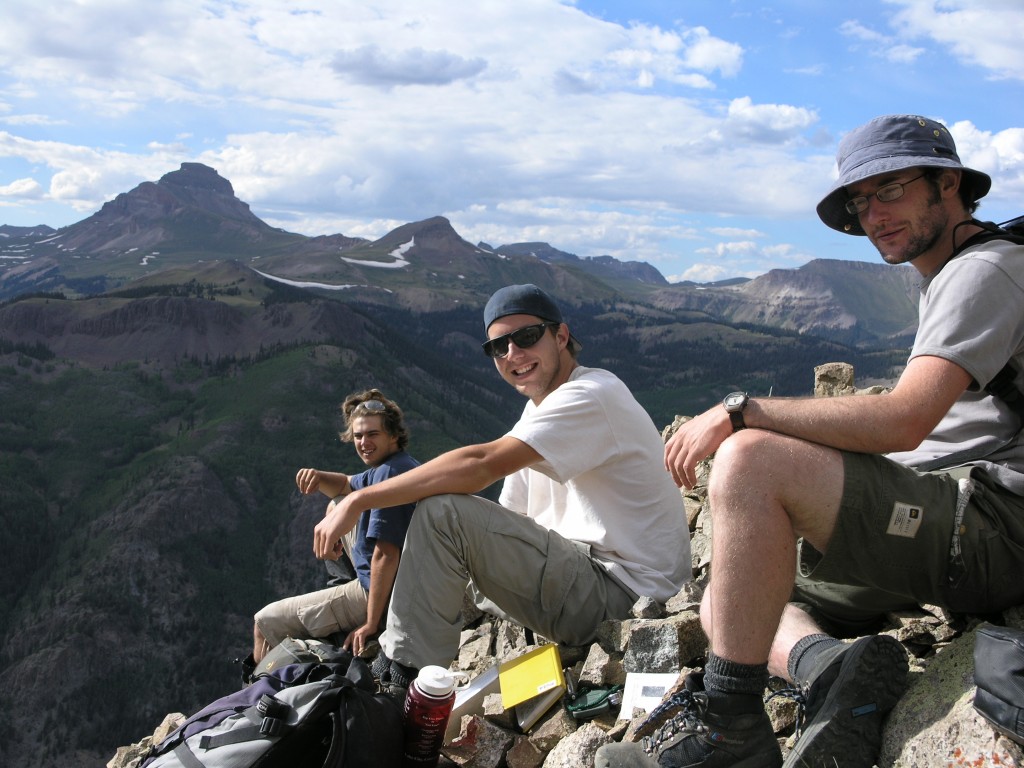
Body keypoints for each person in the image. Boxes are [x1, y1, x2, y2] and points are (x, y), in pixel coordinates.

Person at [596, 114, 1024, 768]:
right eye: (860, 200)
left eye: (891, 190)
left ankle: (731, 731)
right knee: (727, 600)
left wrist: (741, 412)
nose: (873, 213)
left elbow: (906, 418)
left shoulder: (984, 272)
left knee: (750, 460)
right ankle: (831, 669)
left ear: (948, 183)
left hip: (991, 524)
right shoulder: (950, 271)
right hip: (960, 519)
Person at [312, 283, 691, 692]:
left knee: (442, 513)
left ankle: (401, 681)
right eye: (498, 347)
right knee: (441, 524)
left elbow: (480, 465)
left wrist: (359, 499)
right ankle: (403, 663)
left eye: (527, 337)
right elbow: (513, 519)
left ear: (561, 336)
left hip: (628, 598)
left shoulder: (593, 394)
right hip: (590, 582)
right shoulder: (538, 411)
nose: (513, 354)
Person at [252, 389, 419, 663]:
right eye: (358, 435)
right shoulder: (393, 465)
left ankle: (257, 696)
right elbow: (344, 485)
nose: (364, 442)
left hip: (377, 593)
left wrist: (371, 623)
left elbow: (386, 554)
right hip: (392, 581)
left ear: (393, 435)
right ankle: (342, 583)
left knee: (263, 622)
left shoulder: (389, 475)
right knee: (338, 504)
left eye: (372, 434)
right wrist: (318, 477)